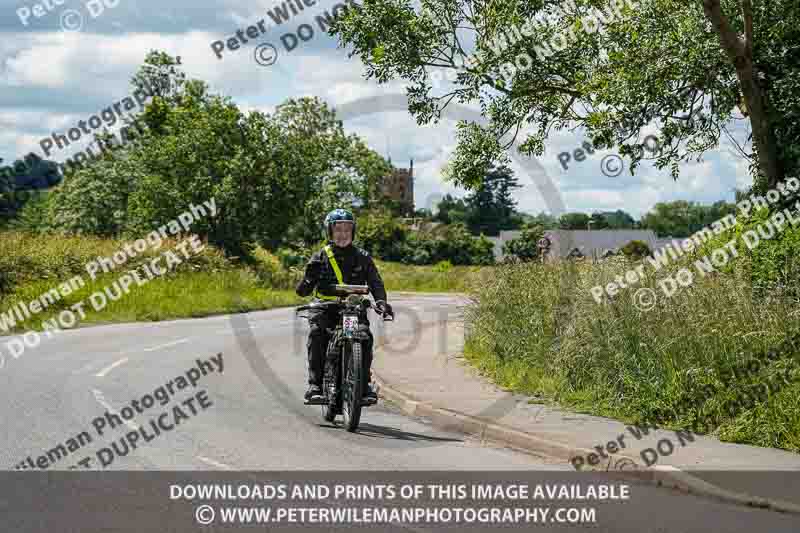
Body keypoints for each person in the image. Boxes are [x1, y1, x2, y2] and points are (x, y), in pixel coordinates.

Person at [296, 208, 394, 403]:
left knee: (364, 336)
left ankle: (363, 384)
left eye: (347, 229)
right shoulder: (320, 256)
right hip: (326, 308)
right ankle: (315, 385)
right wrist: (310, 276)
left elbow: (375, 282)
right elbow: (302, 291)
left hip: (352, 311)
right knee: (317, 334)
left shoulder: (363, 257)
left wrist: (381, 301)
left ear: (353, 232)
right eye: (338, 229)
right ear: (330, 232)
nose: (342, 234)